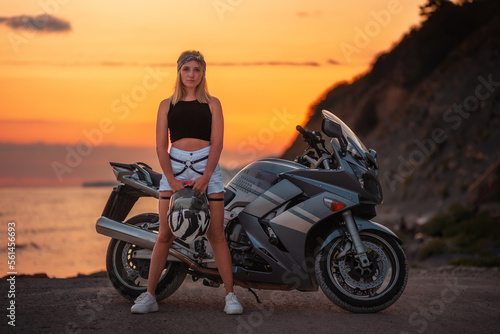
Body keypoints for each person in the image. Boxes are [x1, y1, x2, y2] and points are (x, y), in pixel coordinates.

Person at [131, 50, 243, 315]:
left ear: (203, 73)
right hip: (175, 167)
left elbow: (218, 143)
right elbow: (160, 146)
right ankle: (149, 295)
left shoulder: (213, 103)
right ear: (179, 72)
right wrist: (170, 179)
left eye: (196, 70)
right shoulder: (166, 105)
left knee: (216, 235)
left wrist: (205, 177)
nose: (191, 74)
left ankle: (230, 296)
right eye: (186, 69)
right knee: (165, 235)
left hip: (208, 168)